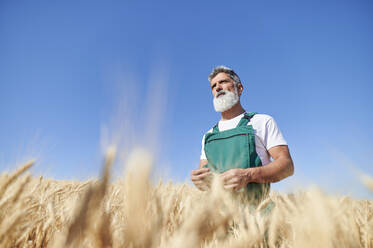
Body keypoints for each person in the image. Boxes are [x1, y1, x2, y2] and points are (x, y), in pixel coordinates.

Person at [191, 66, 294, 201]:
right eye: (213, 86)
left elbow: (287, 166)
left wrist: (248, 175)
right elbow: (205, 178)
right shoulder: (208, 136)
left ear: (239, 88)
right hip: (219, 218)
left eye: (223, 82)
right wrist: (199, 181)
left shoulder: (262, 121)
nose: (217, 88)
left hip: (255, 218)